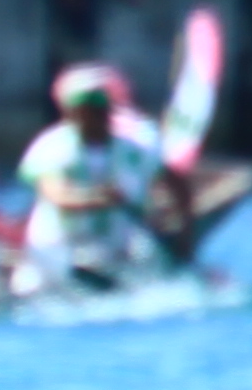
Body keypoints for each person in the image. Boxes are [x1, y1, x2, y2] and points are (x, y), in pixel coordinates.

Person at [11, 65, 176, 283]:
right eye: (84, 107)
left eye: (98, 105)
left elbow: (173, 181)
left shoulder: (131, 149)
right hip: (59, 249)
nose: (92, 113)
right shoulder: (53, 146)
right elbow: (56, 193)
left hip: (109, 248)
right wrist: (100, 197)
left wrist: (179, 231)